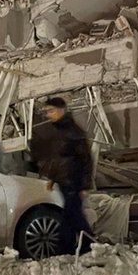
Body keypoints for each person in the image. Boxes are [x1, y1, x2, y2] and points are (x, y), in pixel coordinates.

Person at [40, 97, 94, 255]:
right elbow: (58, 159)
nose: (49, 115)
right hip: (64, 180)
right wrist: (52, 178)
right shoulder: (59, 131)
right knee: (71, 215)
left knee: (72, 215)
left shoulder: (73, 131)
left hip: (73, 181)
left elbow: (86, 159)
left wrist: (84, 186)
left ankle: (85, 244)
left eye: (51, 111)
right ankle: (73, 248)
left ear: (62, 110)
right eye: (47, 112)